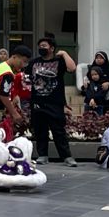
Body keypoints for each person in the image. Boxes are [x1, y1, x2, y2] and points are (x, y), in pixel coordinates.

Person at [25, 37, 76, 166]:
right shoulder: (34, 63)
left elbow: (72, 68)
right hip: (37, 102)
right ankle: (42, 155)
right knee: (40, 130)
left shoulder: (59, 61)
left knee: (58, 130)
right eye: (40, 46)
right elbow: (26, 79)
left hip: (55, 102)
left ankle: (66, 156)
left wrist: (64, 53)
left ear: (52, 48)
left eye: (44, 46)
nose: (42, 48)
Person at [0, 45, 29, 134]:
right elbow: (3, 95)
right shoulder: (7, 73)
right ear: (14, 57)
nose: (23, 65)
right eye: (22, 62)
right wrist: (14, 113)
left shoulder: (2, 66)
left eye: (26, 63)